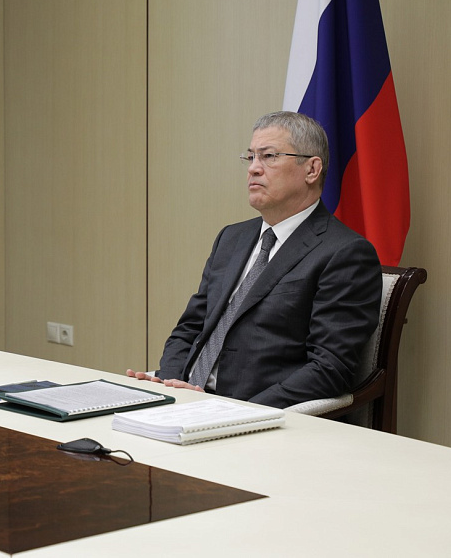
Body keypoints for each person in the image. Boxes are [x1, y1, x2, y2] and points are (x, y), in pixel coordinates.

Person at [128, 111, 382, 408]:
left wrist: (236, 411)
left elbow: (329, 369)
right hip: (189, 402)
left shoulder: (345, 253)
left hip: (255, 414)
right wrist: (170, 386)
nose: (253, 169)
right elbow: (190, 329)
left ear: (312, 169)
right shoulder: (232, 238)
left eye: (269, 156)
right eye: (250, 157)